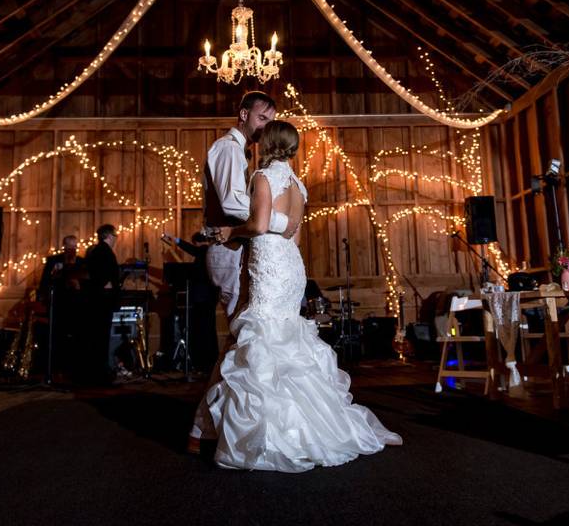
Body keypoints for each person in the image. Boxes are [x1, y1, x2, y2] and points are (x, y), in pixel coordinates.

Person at [206, 120, 401, 472]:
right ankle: (312, 425)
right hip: (291, 264)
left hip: (269, 262)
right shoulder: (298, 185)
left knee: (265, 337)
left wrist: (229, 232)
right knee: (286, 336)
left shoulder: (262, 177)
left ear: (266, 143)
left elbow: (260, 225)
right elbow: (293, 236)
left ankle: (274, 435)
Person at [188, 91, 299, 447]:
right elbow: (232, 202)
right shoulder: (227, 149)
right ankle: (208, 428)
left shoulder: (249, 159)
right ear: (244, 114)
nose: (265, 127)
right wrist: (279, 221)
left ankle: (221, 426)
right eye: (262, 119)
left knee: (245, 343)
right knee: (242, 342)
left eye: (271, 121)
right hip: (228, 249)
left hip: (244, 248)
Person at [161, 232, 220, 372]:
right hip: (209, 297)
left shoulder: (204, 250)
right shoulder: (210, 251)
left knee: (203, 329)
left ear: (196, 242)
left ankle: (204, 361)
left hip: (203, 297)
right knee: (208, 329)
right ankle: (208, 360)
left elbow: (192, 250)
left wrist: (175, 239)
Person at [39, 235, 84, 379]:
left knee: (75, 337)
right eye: (69, 247)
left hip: (76, 305)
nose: (72, 250)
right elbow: (45, 281)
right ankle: (56, 368)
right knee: (57, 337)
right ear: (64, 246)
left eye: (74, 247)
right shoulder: (54, 260)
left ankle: (72, 368)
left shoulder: (82, 262)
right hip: (58, 304)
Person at [81, 224, 120, 386]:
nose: (116, 239)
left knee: (98, 337)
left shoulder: (98, 251)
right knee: (100, 338)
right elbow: (103, 275)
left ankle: (97, 374)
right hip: (102, 300)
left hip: (98, 300)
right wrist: (108, 284)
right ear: (109, 236)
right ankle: (99, 376)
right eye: (115, 236)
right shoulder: (103, 252)